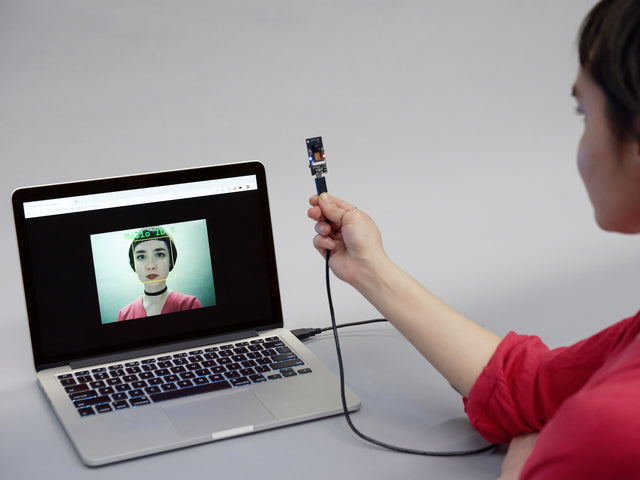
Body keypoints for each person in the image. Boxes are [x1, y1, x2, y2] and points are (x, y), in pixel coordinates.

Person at [307, 0, 640, 478]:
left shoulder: (609, 430)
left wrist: (531, 456)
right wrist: (368, 268)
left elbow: (554, 421)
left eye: (582, 112)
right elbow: (533, 388)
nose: (580, 143)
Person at [117, 226, 203, 321]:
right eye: (141, 257)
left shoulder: (190, 305)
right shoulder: (124, 315)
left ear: (170, 260)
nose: (151, 265)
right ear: (133, 264)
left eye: (159, 255)